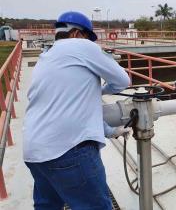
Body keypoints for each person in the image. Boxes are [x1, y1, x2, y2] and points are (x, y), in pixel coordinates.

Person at [23, 11, 130, 210]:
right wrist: (105, 88)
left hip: (34, 152)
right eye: (89, 38)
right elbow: (123, 81)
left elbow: (70, 107)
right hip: (69, 152)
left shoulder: (46, 56)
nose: (91, 43)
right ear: (76, 34)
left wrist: (110, 131)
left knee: (48, 206)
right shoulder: (81, 46)